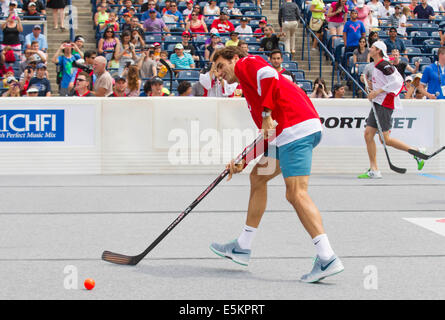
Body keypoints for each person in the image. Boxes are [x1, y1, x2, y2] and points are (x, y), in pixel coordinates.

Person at [210, 46, 344, 283]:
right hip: (287, 134)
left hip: (295, 130)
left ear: (234, 58)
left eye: (221, 65)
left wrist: (265, 114)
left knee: (296, 194)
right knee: (258, 177)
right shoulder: (250, 87)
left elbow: (270, 76)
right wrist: (244, 160)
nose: (219, 73)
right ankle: (243, 246)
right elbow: (269, 133)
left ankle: (327, 257)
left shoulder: (246, 64)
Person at [359, 40, 425, 179]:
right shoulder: (378, 65)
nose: (369, 49)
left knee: (385, 140)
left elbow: (397, 81)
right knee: (368, 135)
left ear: (378, 51)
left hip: (384, 103)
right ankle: (374, 169)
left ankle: (417, 152)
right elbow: (384, 82)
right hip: (378, 102)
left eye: (372, 47)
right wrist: (372, 88)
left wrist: (377, 92)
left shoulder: (384, 64)